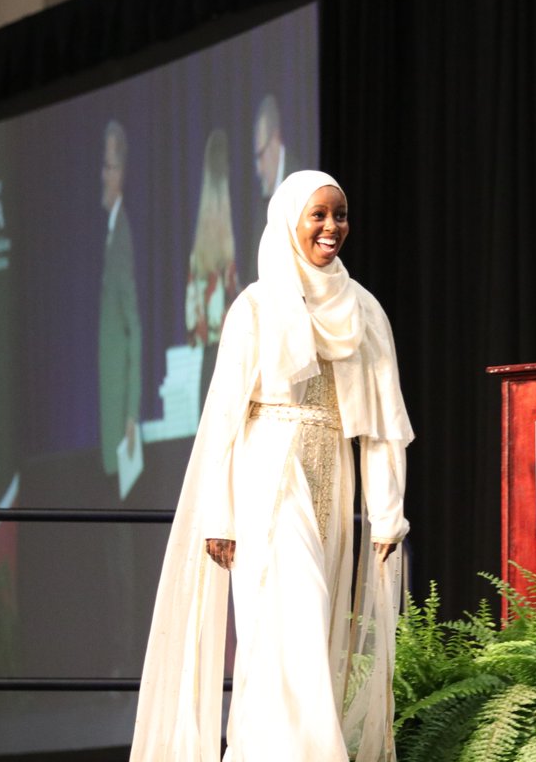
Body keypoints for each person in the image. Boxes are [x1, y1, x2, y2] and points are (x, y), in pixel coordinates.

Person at [130, 171, 413, 762]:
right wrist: (220, 515)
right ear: (289, 221)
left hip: (333, 474)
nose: (332, 227)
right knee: (294, 618)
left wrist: (388, 514)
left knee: (311, 636)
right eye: (318, 215)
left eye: (339, 215)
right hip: (269, 475)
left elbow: (382, 427)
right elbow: (223, 421)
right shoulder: (256, 307)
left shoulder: (364, 310)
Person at [99, 119, 142, 478]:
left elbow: (134, 329)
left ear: (122, 174)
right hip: (109, 407)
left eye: (110, 167)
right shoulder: (112, 232)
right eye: (103, 166)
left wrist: (130, 414)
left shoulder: (123, 234)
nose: (103, 175)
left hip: (119, 415)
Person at [186, 129, 240, 405]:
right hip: (233, 361)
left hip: (211, 365)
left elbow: (193, 317)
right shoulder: (241, 224)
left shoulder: (201, 241)